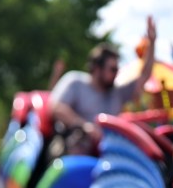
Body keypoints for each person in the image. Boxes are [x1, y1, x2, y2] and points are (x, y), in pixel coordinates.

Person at [50, 16, 157, 152]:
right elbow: (57, 108)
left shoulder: (117, 92)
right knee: (75, 145)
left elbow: (144, 75)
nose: (116, 73)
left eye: (117, 69)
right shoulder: (75, 82)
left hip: (107, 151)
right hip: (72, 147)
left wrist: (152, 42)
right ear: (97, 68)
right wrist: (85, 127)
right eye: (112, 69)